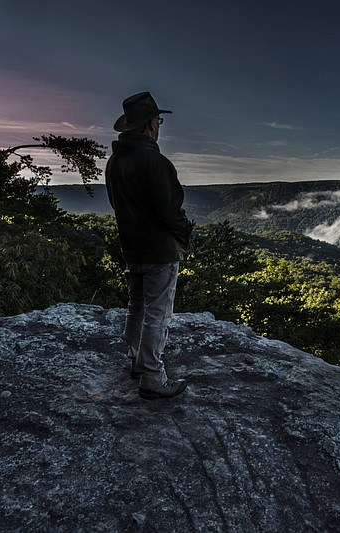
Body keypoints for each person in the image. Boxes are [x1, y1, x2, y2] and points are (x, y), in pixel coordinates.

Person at [106, 91, 193, 400]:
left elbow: (115, 203)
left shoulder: (115, 162)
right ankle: (153, 377)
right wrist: (185, 233)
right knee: (157, 313)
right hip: (160, 250)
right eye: (158, 120)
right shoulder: (154, 161)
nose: (159, 125)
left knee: (136, 306)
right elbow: (170, 210)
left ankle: (136, 361)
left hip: (131, 246)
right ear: (148, 125)